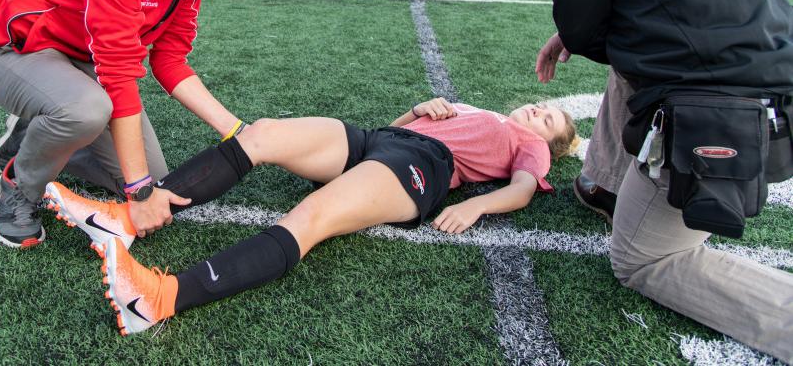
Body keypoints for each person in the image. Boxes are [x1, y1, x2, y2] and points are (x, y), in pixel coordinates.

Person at [533, 0, 793, 361]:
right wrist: (581, 38)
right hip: (773, 82)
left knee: (645, 259)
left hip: (721, 106)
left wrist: (575, 34)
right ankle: (603, 184)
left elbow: (580, 21)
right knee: (628, 55)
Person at [41, 96, 578, 333]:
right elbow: (392, 131)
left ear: (550, 139)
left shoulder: (529, 146)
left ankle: (158, 299)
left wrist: (479, 206)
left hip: (423, 170)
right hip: (382, 139)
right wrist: (419, 110)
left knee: (312, 215)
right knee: (263, 132)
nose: (538, 110)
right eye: (540, 104)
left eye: (548, 118)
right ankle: (125, 220)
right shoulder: (481, 111)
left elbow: (525, 189)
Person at [0, 0, 276, 249]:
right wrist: (138, 194)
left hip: (86, 64)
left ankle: (34, 137)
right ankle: (19, 186)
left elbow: (169, 61)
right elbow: (118, 73)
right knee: (85, 111)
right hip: (20, 51)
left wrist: (237, 130)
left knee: (158, 178)